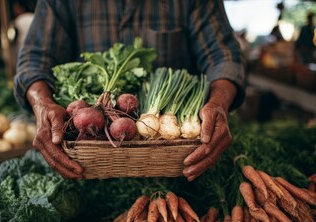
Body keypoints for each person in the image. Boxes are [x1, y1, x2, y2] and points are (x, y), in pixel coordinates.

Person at [14, 0, 246, 181]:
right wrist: (41, 104)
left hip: (178, 164)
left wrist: (219, 103)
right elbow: (34, 60)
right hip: (88, 165)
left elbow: (223, 56)